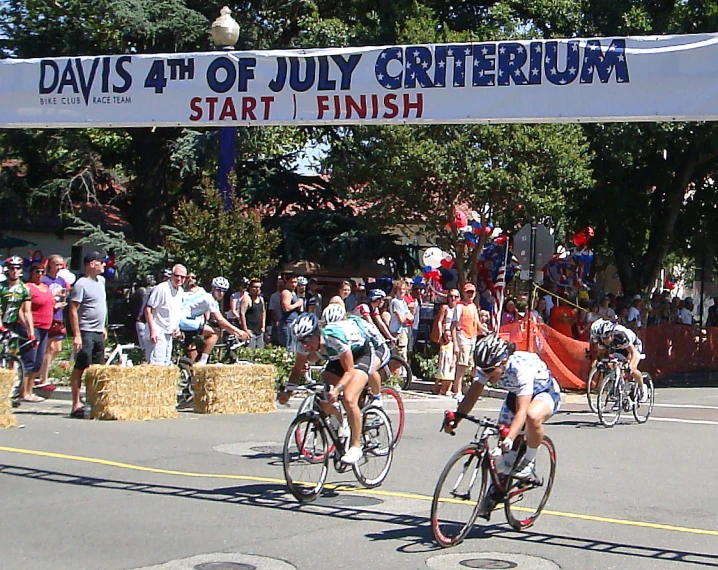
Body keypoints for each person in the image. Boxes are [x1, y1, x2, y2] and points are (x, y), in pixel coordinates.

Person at [443, 334, 561, 515]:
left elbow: (522, 411)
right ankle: (497, 488)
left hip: (544, 393)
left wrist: (510, 437)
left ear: (503, 362)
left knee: (531, 416)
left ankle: (529, 461)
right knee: (503, 449)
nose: (486, 375)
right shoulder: (489, 366)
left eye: (490, 371)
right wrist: (457, 418)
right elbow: (473, 395)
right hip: (516, 395)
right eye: (483, 370)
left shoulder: (521, 369)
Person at [282, 312, 380, 464]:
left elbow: (349, 371)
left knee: (348, 397)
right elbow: (296, 371)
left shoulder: (334, 338)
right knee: (324, 395)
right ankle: (342, 426)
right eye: (300, 341)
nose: (304, 345)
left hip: (361, 353)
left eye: (307, 339)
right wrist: (287, 392)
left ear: (317, 333)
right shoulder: (304, 346)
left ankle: (356, 446)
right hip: (337, 357)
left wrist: (337, 389)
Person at [67, 251, 108, 418]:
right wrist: (77, 335)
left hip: (98, 331)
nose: (104, 264)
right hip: (86, 331)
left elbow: (100, 305)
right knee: (81, 365)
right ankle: (76, 403)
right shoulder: (81, 284)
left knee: (97, 368)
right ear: (92, 264)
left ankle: (95, 402)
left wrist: (103, 326)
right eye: (101, 262)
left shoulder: (101, 281)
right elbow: (73, 310)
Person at [178, 276, 250, 364]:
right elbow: (220, 320)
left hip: (187, 320)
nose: (221, 293)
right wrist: (238, 332)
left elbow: (210, 317)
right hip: (183, 320)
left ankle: (194, 369)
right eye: (219, 290)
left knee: (193, 352)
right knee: (214, 334)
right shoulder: (209, 299)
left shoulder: (208, 297)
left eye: (224, 290)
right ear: (213, 288)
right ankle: (202, 363)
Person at [0, 256, 37, 401]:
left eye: (17, 268)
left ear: (21, 270)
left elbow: (27, 312)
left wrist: (31, 333)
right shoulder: (1, 287)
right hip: (1, 322)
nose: (14, 271)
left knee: (12, 357)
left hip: (12, 324)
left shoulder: (24, 289)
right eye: (11, 268)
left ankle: (8, 390)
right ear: (7, 270)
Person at [589, 318, 648, 401]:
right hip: (617, 348)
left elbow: (633, 353)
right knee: (611, 364)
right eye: (603, 338)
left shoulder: (620, 335)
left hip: (633, 347)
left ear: (612, 334)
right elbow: (603, 354)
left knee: (632, 369)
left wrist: (630, 364)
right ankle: (619, 385)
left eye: (606, 338)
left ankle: (642, 387)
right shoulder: (601, 340)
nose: (604, 340)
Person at [20, 263, 56, 402]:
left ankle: (30, 390)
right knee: (29, 359)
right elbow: (24, 309)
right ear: (31, 273)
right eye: (37, 272)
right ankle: (24, 391)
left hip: (45, 328)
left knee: (38, 361)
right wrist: (29, 329)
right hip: (33, 326)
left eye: (42, 272)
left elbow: (49, 303)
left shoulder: (45, 287)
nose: (40, 274)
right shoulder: (28, 287)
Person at [38, 254, 69, 389]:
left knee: (57, 348)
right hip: (48, 315)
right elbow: (43, 296)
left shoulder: (61, 280)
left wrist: (63, 299)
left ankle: (40, 371)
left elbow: (64, 294)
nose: (59, 267)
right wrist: (53, 299)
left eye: (61, 265)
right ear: (50, 264)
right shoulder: (45, 280)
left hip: (58, 315)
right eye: (56, 264)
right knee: (49, 348)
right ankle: (43, 378)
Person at [145, 264, 186, 366]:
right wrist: (152, 330)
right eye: (177, 275)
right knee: (156, 367)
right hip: (158, 332)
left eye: (182, 277)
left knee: (166, 366)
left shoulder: (180, 291)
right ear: (171, 275)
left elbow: (175, 312)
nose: (179, 279)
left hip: (169, 333)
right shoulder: (161, 288)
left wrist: (177, 328)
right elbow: (148, 309)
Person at [451, 282, 480, 399]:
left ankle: (468, 389)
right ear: (464, 293)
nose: (470, 295)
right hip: (463, 338)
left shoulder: (473, 306)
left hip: (473, 337)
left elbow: (477, 322)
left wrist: (486, 330)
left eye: (472, 292)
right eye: (468, 292)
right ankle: (457, 391)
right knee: (462, 366)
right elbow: (454, 325)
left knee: (472, 366)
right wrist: (455, 344)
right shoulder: (459, 307)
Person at [434, 289, 459, 394]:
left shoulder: (459, 308)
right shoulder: (445, 308)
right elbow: (439, 321)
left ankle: (447, 388)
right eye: (451, 296)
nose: (453, 299)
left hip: (456, 336)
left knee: (453, 361)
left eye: (455, 297)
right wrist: (440, 335)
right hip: (446, 336)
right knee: (444, 361)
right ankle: (438, 387)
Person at [239, 278, 266, 348]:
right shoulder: (247, 299)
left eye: (259, 287)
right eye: (255, 287)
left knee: (260, 351)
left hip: (259, 331)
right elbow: (242, 314)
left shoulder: (261, 299)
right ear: (250, 288)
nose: (257, 289)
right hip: (250, 331)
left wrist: (263, 326)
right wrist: (245, 329)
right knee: (249, 352)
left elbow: (263, 312)